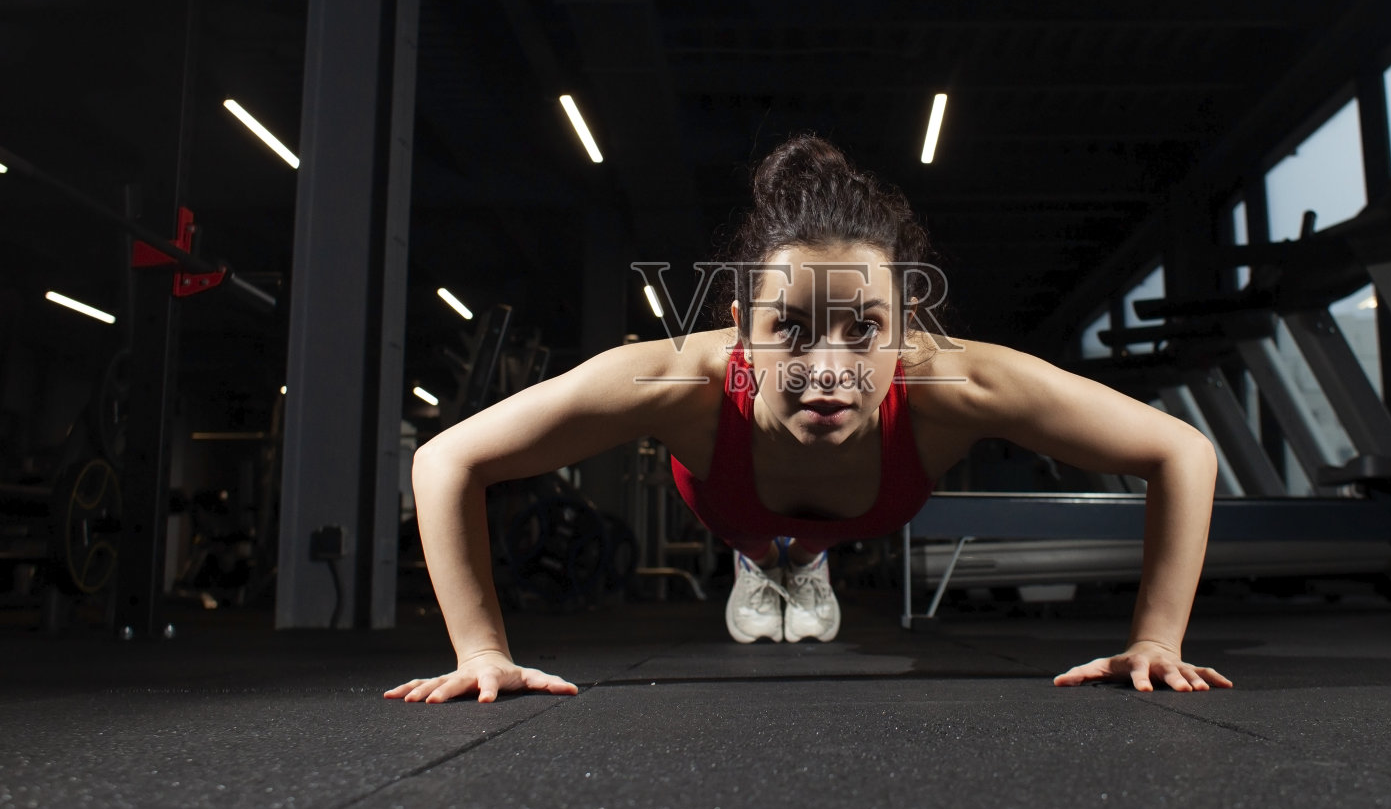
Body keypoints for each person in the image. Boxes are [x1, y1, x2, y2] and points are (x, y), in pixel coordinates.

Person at [386, 136, 1233, 704]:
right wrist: (481, 652)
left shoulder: (958, 383)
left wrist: (1156, 638)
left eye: (863, 328)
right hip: (733, 505)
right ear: (738, 327)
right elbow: (446, 460)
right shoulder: (678, 380)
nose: (826, 367)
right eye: (787, 327)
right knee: (762, 541)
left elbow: (1181, 452)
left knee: (811, 544)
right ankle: (765, 564)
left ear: (905, 330)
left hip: (868, 507)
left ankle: (805, 565)